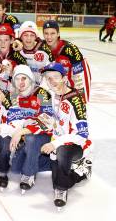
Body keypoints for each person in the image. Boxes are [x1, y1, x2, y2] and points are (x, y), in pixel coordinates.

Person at [40, 62, 92, 210]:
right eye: (48, 78)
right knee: (55, 182)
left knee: (60, 184)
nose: (52, 81)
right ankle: (80, 173)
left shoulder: (75, 99)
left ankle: (62, 191)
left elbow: (82, 134)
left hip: (76, 145)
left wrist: (55, 144)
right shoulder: (52, 94)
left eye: (55, 77)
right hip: (57, 142)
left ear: (64, 78)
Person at [0, 65, 53, 193]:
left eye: (24, 78)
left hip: (41, 135)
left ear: (31, 79)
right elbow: (10, 122)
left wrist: (22, 131)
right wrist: (17, 132)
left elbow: (47, 120)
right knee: (15, 168)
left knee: (31, 139)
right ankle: (51, 163)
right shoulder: (12, 97)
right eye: (17, 79)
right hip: (22, 138)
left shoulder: (42, 93)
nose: (20, 82)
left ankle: (29, 174)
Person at [42, 20, 91, 102]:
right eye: (46, 33)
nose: (49, 37)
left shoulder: (70, 49)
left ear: (58, 34)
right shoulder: (42, 47)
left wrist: (81, 99)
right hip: (50, 93)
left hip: (67, 93)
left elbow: (80, 76)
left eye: (52, 33)